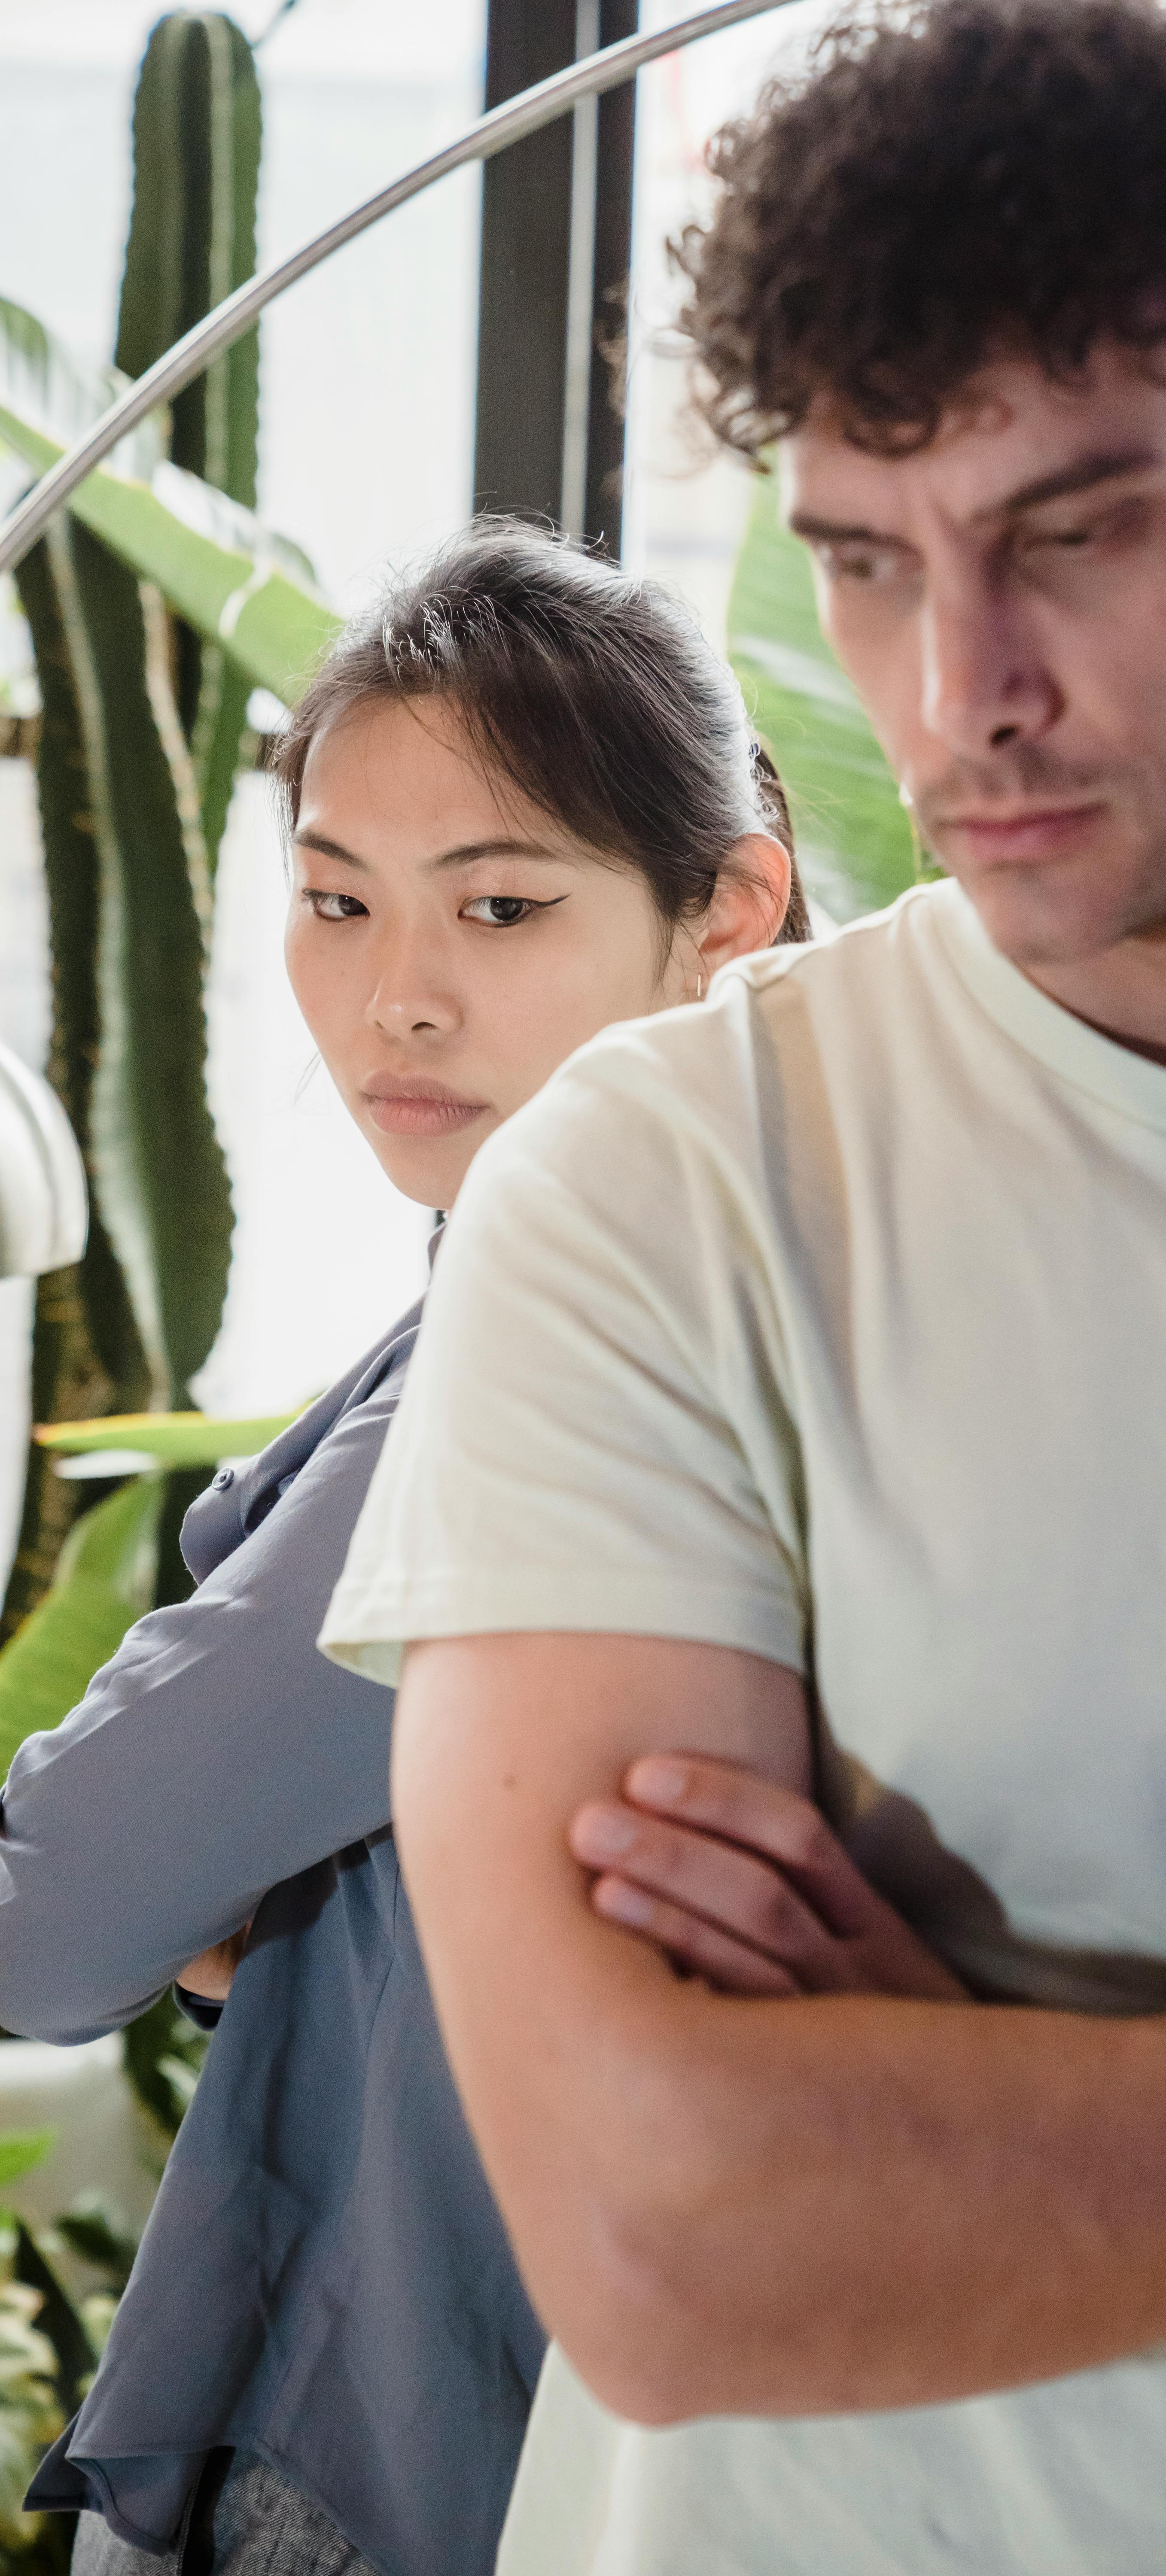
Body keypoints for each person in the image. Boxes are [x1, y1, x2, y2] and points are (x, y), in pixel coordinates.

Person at [322, 6, 1166, 2573]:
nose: (959, 694)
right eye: (867, 558)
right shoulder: (665, 1190)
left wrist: (955, 2118)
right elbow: (675, 2247)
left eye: (1073, 532)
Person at [0, 522, 804, 2576]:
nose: (395, 996)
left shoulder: (585, 1326)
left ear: (728, 913)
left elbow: (53, 1907)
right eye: (337, 901)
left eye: (502, 905)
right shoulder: (767, 1250)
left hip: (396, 2446)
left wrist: (227, 1888)